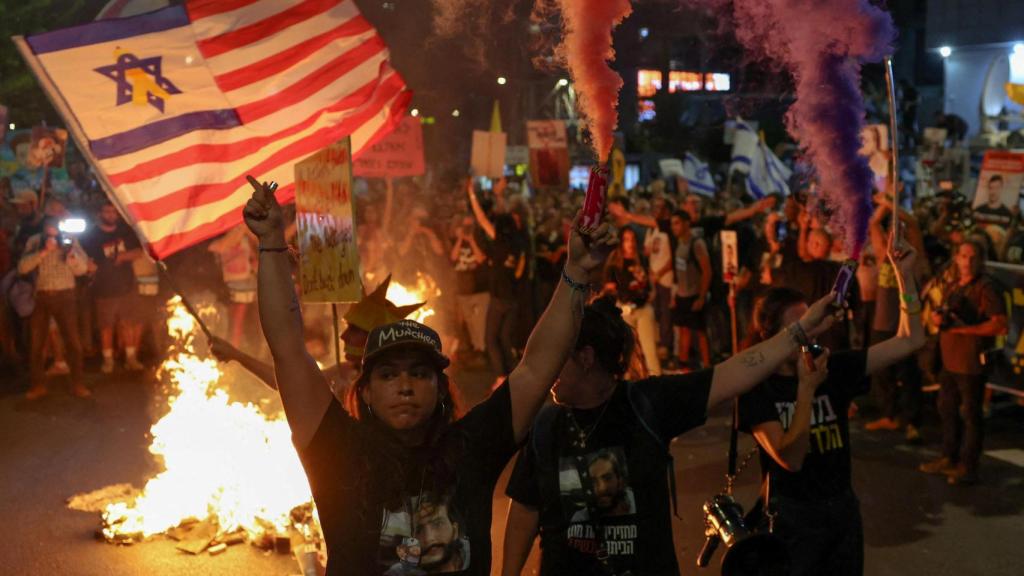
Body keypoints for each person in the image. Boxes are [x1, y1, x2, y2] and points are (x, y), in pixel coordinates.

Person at [242, 177, 617, 576]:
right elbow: (287, 348)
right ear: (365, 391)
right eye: (388, 375)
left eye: (420, 373)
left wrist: (577, 270)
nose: (405, 386)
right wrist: (270, 244)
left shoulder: (472, 448)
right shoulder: (337, 450)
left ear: (440, 387)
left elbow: (538, 366)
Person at [501, 292, 839, 576]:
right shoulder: (546, 425)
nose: (547, 369)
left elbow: (736, 371)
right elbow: (525, 512)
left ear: (586, 357)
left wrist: (801, 329)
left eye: (557, 357)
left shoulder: (648, 403)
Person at [736, 239, 925, 576]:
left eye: (811, 322)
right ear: (774, 334)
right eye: (800, 326)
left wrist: (905, 277)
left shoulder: (831, 368)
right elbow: (790, 460)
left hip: (841, 511)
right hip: (792, 518)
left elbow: (910, 340)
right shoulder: (758, 389)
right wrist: (806, 389)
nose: (809, 334)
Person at [919, 239, 1008, 485]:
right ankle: (948, 457)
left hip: (970, 364)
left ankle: (968, 467)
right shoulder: (954, 286)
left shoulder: (987, 287)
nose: (967, 261)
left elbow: (1000, 324)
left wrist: (965, 331)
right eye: (963, 256)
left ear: (980, 260)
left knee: (970, 414)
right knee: (946, 409)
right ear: (956, 258)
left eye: (972, 257)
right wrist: (940, 320)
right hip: (950, 361)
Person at [19, 216, 91, 399]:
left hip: (66, 296)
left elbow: (82, 270)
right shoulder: (35, 241)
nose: (53, 231)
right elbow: (22, 268)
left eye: (55, 228)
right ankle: (37, 385)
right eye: (49, 228)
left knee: (73, 343)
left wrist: (71, 257)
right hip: (41, 297)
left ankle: (78, 384)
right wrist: (43, 252)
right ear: (44, 229)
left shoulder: (71, 240)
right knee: (37, 344)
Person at [81, 200, 144, 372]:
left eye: (113, 212)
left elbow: (139, 252)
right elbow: (84, 259)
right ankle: (108, 360)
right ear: (100, 213)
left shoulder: (125, 231)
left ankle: (131, 358)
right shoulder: (92, 235)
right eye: (107, 211)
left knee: (128, 323)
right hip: (103, 288)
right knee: (106, 326)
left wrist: (123, 257)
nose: (110, 215)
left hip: (126, 285)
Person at [603, 226, 660, 375]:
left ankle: (657, 381)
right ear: (621, 242)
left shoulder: (641, 259)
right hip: (625, 309)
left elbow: (650, 281)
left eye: (633, 239)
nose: (630, 243)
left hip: (643, 308)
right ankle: (627, 385)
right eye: (627, 240)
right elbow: (609, 286)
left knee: (649, 350)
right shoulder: (615, 261)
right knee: (628, 352)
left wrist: (651, 291)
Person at [670, 210, 711, 370]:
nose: (674, 227)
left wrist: (701, 297)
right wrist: (676, 293)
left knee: (700, 332)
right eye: (673, 224)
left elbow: (707, 271)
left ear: (687, 223)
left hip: (694, 295)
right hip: (682, 295)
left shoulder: (697, 243)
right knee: (683, 331)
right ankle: (683, 368)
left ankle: (707, 366)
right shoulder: (679, 243)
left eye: (677, 223)